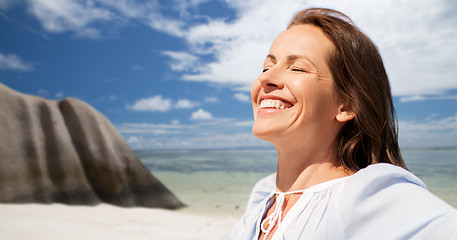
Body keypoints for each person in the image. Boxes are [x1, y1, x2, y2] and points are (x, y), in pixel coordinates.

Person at [222, 8, 457, 240]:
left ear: (347, 105)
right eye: (266, 67)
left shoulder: (364, 196)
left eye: (297, 68)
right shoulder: (264, 198)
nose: (265, 78)